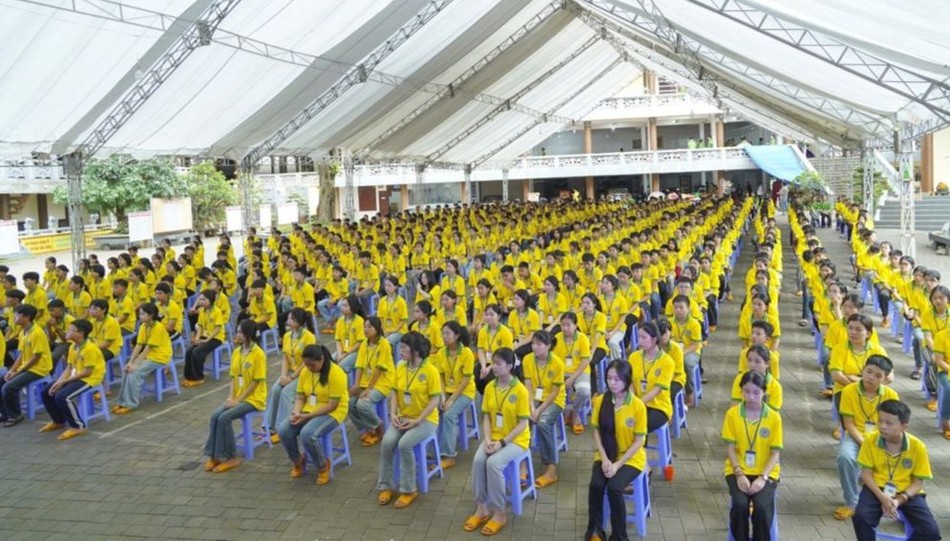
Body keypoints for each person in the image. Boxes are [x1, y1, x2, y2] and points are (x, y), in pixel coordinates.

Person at [852, 399, 941, 541]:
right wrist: (882, 497)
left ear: (904, 426)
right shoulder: (870, 440)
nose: (882, 426)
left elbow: (918, 483)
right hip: (877, 488)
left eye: (889, 423)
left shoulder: (918, 447)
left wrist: (899, 500)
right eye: (880, 420)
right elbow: (866, 474)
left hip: (908, 492)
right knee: (861, 517)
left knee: (930, 532)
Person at [464, 347, 530, 537]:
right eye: (493, 363)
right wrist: (486, 440)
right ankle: (481, 507)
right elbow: (486, 417)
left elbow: (523, 424)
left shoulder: (520, 390)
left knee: (493, 464)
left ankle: (500, 512)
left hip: (516, 440)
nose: (494, 367)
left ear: (510, 366)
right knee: (478, 460)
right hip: (493, 436)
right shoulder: (490, 387)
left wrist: (501, 442)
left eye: (499, 364)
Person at [376, 331, 442, 509]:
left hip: (426, 420)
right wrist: (393, 414)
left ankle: (408, 489)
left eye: (404, 348)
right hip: (403, 417)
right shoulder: (401, 367)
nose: (400, 351)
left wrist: (418, 420)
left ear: (415, 351)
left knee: (404, 444)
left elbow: (435, 400)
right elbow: (395, 393)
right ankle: (385, 485)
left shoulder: (430, 371)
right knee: (387, 442)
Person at [585, 359, 648, 541]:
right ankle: (595, 530)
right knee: (596, 485)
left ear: (627, 381)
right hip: (606, 454)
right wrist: (604, 459)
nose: (611, 383)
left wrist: (618, 464)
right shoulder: (601, 401)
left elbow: (639, 441)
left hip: (630, 458)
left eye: (617, 379)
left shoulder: (637, 406)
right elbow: (596, 431)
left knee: (614, 488)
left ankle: (619, 535)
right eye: (609, 378)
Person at [835, 355, 897, 521]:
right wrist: (864, 443)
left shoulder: (891, 395)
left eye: (878, 375)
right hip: (856, 436)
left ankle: (889, 501)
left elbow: (893, 426)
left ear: (885, 379)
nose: (871, 377)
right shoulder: (849, 391)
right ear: (863, 370)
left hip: (882, 438)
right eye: (869, 371)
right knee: (845, 457)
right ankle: (851, 502)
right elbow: (848, 424)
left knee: (896, 460)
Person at [722, 371, 782, 541]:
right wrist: (739, 474)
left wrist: (763, 477)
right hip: (737, 469)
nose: (751, 397)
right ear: (741, 391)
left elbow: (775, 453)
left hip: (766, 472)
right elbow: (731, 449)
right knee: (740, 505)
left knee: (762, 507)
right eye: (746, 391)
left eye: (756, 392)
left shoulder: (774, 418)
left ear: (764, 392)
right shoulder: (732, 415)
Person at [202, 320, 267, 473]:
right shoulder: (237, 351)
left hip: (253, 399)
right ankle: (215, 455)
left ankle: (232, 457)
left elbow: (256, 382)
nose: (237, 335)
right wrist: (231, 397)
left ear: (248, 335)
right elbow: (233, 377)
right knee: (215, 415)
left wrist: (238, 400)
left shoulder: (258, 354)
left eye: (240, 332)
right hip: (237, 397)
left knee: (225, 418)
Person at [277, 344, 348, 486]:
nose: (309, 368)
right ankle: (298, 461)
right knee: (284, 430)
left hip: (333, 412)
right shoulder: (305, 372)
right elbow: (300, 396)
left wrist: (307, 417)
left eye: (312, 365)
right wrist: (296, 412)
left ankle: (323, 466)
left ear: (322, 359)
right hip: (309, 409)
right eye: (306, 364)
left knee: (307, 433)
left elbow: (332, 405)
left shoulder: (337, 373)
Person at [38, 318, 104, 440]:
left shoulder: (90, 349)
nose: (67, 332)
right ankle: (58, 421)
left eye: (71, 330)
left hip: (89, 378)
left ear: (81, 333)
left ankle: (78, 426)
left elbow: (87, 372)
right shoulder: (73, 346)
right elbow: (69, 367)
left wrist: (65, 381)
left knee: (62, 396)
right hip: (76, 375)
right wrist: (58, 382)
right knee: (47, 391)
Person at [264, 308, 316, 442]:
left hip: (305, 374)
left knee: (286, 393)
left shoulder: (308, 337)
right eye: (288, 319)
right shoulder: (287, 336)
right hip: (291, 373)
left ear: (299, 322)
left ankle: (282, 428)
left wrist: (291, 378)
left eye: (291, 319)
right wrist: (283, 376)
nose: (288, 321)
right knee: (276, 389)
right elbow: (286, 358)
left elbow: (306, 362)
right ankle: (269, 426)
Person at [522, 330, 565, 488]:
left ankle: (551, 467)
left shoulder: (557, 363)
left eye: (539, 344)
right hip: (533, 398)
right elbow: (527, 385)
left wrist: (539, 411)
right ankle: (523, 462)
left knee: (542, 423)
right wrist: (531, 405)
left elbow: (555, 392)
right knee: (522, 418)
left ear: (548, 346)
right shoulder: (527, 360)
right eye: (533, 343)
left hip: (553, 400)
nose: (535, 347)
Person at [112, 303, 173, 414]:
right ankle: (121, 401)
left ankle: (130, 403)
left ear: (151, 315)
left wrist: (135, 365)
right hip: (149, 356)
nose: (140, 316)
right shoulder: (143, 326)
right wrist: (130, 362)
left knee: (135, 373)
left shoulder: (158, 327)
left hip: (160, 357)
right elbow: (139, 345)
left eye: (143, 314)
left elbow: (147, 348)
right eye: (140, 314)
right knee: (126, 370)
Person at [0, 305, 52, 426]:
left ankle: (15, 415)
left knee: (9, 387)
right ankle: (5, 413)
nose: (15, 318)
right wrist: (12, 370)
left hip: (38, 369)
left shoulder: (37, 333)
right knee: (1, 381)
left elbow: (36, 357)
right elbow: (21, 355)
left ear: (27, 317)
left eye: (18, 315)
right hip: (26, 367)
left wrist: (18, 371)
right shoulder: (23, 332)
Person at [434, 320, 476, 469]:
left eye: (447, 333)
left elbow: (465, 380)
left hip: (465, 391)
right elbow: (440, 376)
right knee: (433, 409)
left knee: (449, 415)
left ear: (457, 335)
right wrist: (443, 395)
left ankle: (449, 455)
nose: (444, 337)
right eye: (443, 333)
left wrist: (451, 399)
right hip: (447, 391)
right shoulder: (441, 353)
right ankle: (433, 448)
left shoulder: (466, 353)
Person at [348, 316, 395, 447]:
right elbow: (359, 366)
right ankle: (368, 429)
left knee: (362, 404)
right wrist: (357, 385)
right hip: (365, 381)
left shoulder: (384, 344)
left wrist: (368, 389)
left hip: (382, 382)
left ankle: (379, 428)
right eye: (364, 326)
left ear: (377, 328)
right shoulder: (364, 344)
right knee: (350, 403)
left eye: (369, 327)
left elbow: (379, 369)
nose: (366, 329)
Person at [627, 321, 674, 432]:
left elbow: (657, 390)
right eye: (638, 337)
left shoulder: (667, 362)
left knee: (639, 423)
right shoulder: (634, 357)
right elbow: (630, 383)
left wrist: (638, 404)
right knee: (619, 420)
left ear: (654, 340)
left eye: (643, 337)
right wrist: (633, 401)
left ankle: (637, 448)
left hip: (658, 406)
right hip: (636, 400)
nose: (639, 341)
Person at [554, 312, 592, 434]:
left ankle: (574, 413)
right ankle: (562, 412)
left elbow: (585, 361)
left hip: (580, 371)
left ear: (575, 325)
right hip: (561, 372)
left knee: (584, 392)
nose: (565, 328)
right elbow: (554, 361)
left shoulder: (582, 339)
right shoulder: (557, 338)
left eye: (568, 325)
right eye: (563, 325)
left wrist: (572, 378)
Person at [183, 290, 226, 387]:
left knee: (197, 351)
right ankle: (189, 377)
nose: (201, 302)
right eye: (200, 299)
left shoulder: (217, 311)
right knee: (189, 350)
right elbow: (201, 326)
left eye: (204, 300)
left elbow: (217, 328)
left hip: (216, 338)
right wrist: (197, 339)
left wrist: (206, 340)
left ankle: (198, 378)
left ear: (210, 300)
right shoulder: (202, 310)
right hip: (205, 335)